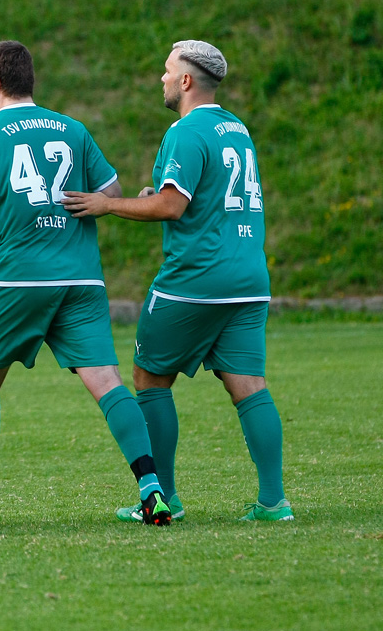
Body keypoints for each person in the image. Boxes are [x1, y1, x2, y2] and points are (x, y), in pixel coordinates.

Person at [0, 40, 171, 529]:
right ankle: (152, 489)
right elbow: (111, 192)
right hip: (81, 279)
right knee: (106, 382)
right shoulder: (71, 129)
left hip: (18, 279)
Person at [62, 40, 293, 522]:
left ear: (186, 81)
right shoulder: (237, 128)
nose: (162, 79)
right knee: (249, 385)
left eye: (167, 72)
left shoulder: (185, 132)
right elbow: (196, 197)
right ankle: (274, 502)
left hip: (197, 278)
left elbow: (172, 205)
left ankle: (163, 498)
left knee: (149, 376)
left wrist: (108, 204)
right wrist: (153, 196)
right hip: (249, 276)